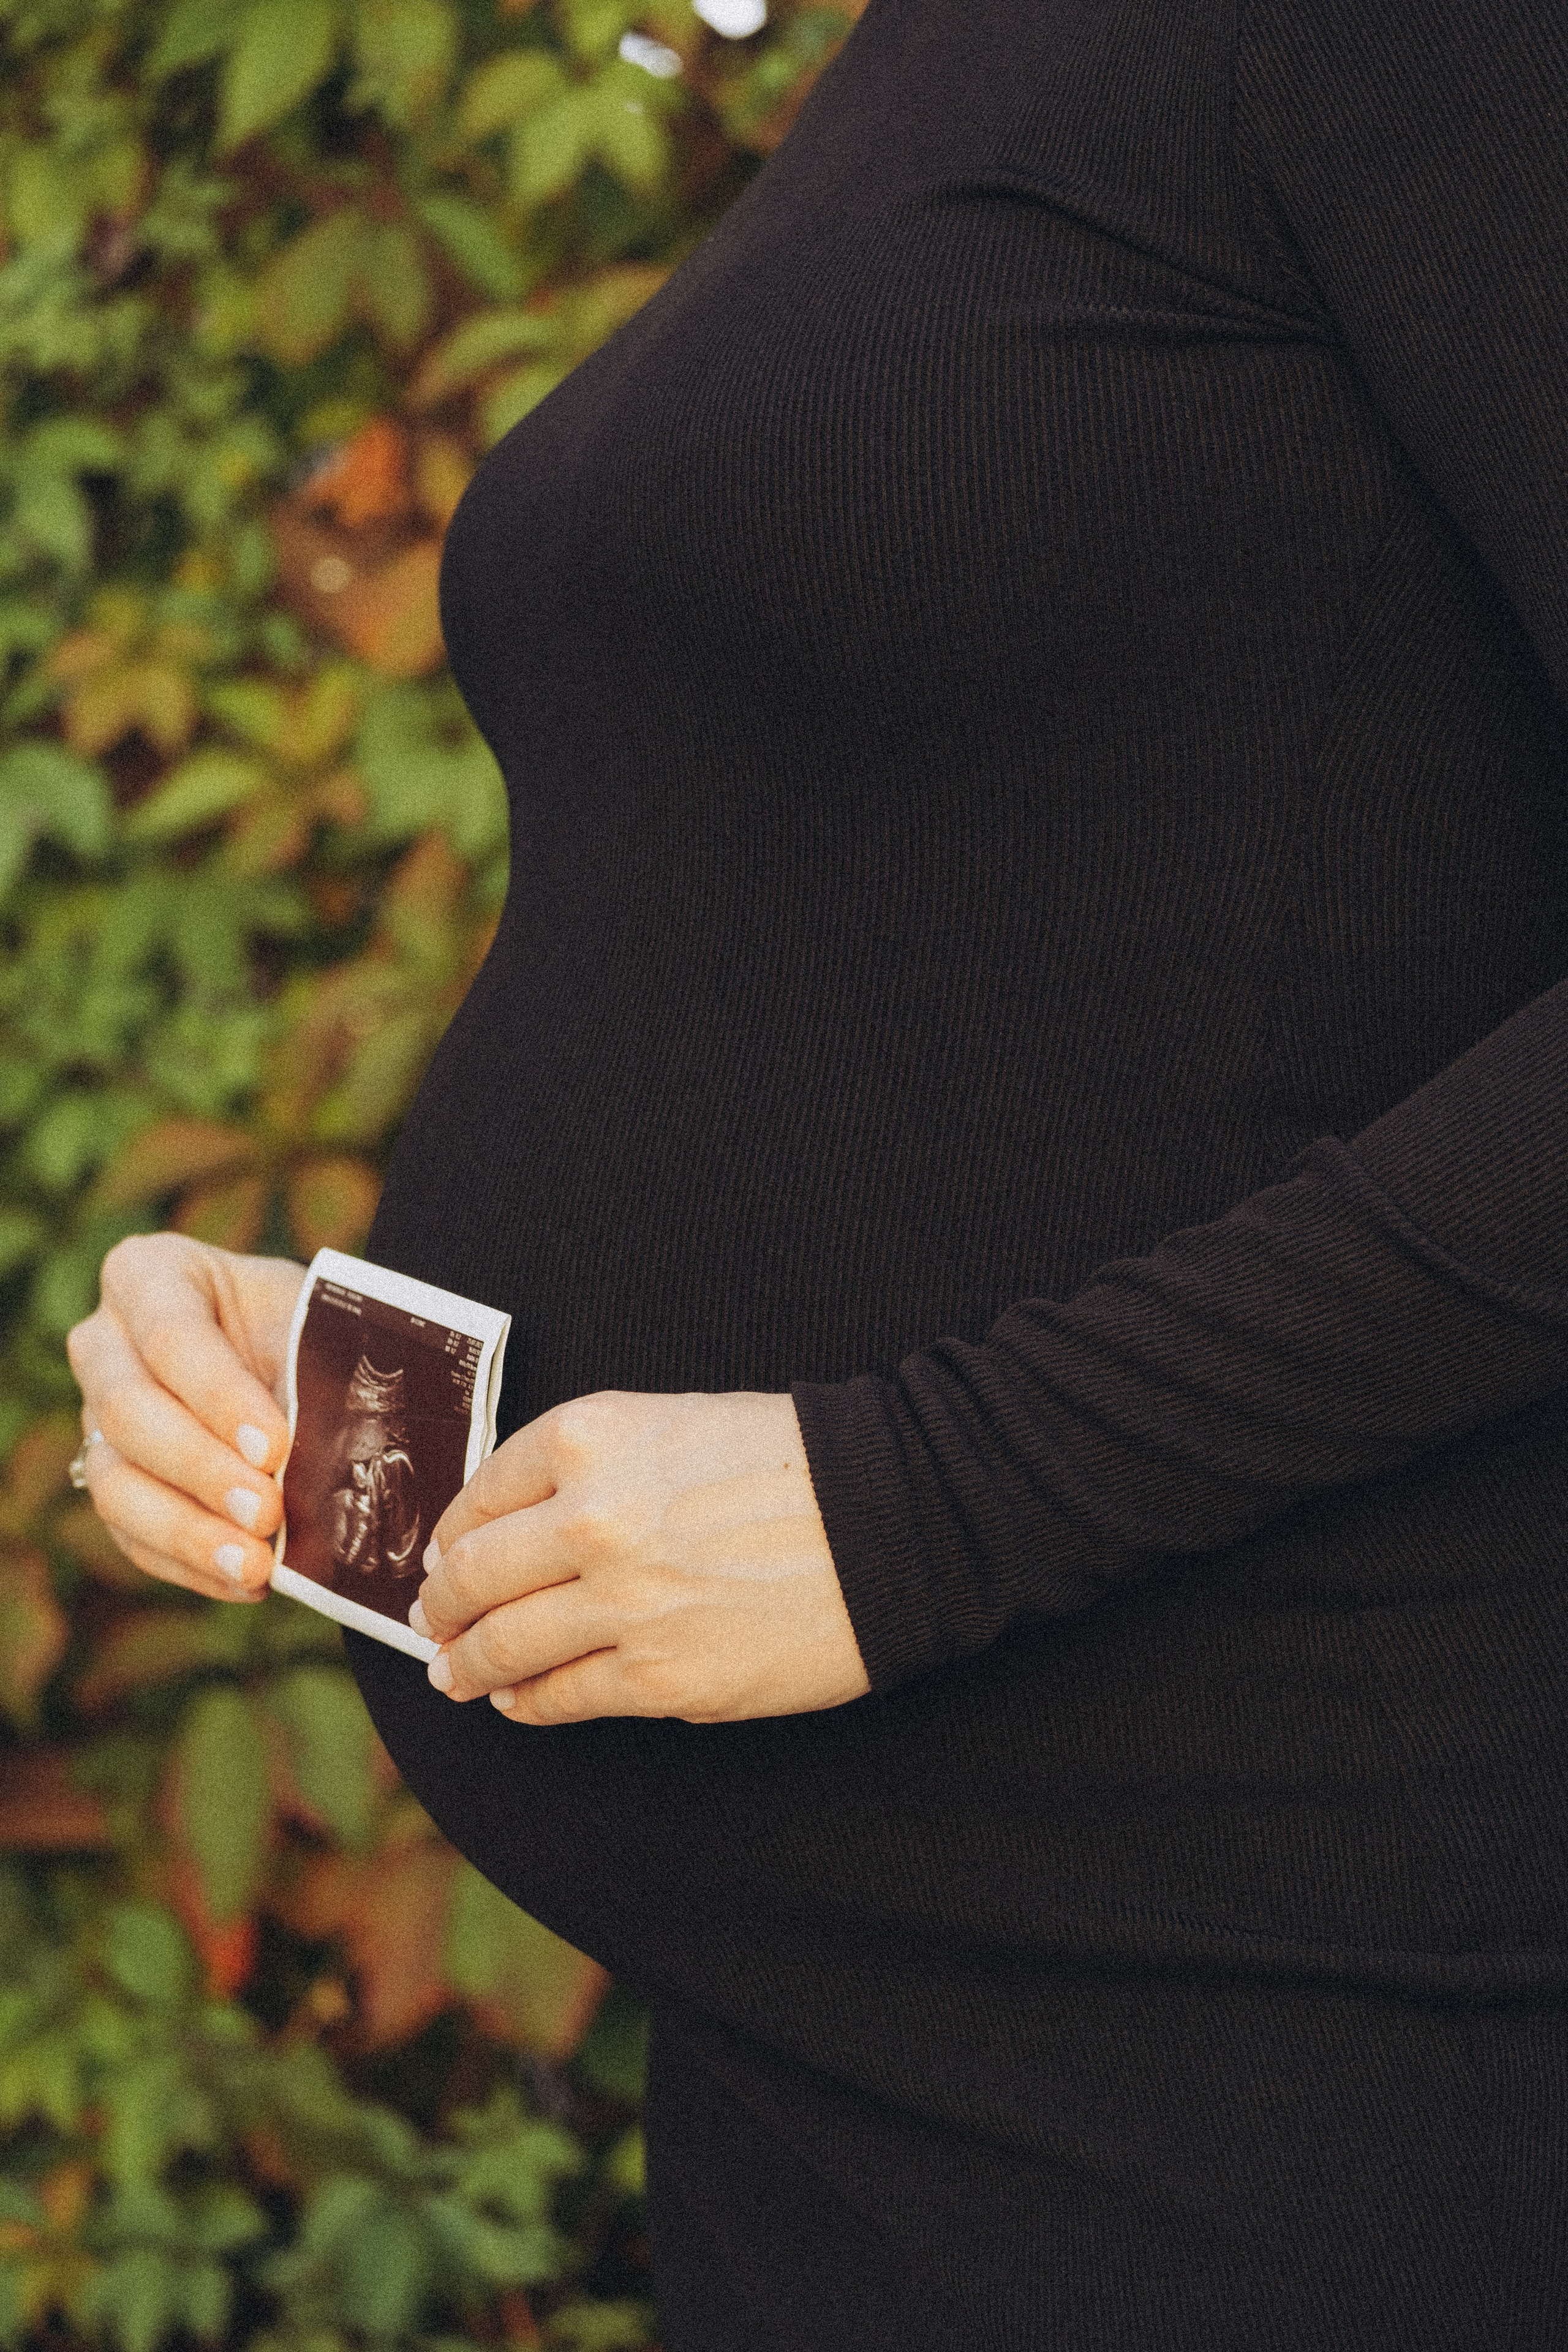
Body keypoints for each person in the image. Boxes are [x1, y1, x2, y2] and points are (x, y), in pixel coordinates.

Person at [66, 0, 1568, 2340]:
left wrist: (924, 1501)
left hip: (1275, 2055)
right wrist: (347, 1376)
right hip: (860, 2063)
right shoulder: (925, 76)